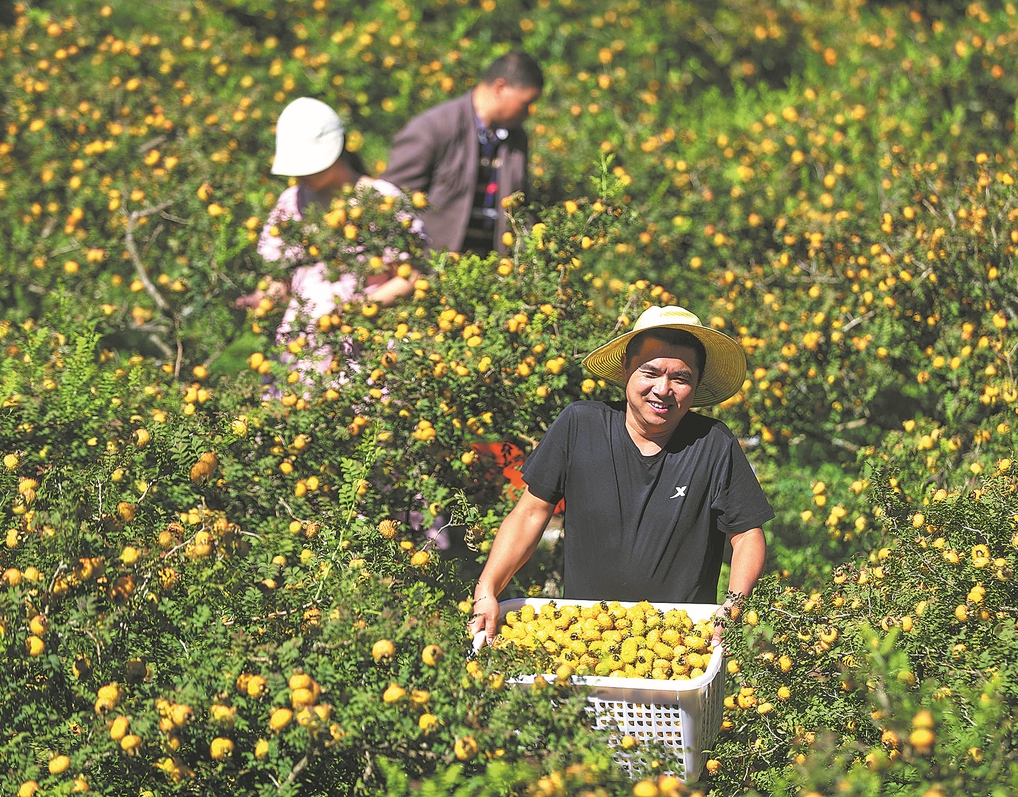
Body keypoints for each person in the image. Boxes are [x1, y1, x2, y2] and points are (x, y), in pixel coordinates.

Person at [468, 306, 774, 647]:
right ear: (627, 367)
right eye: (650, 372)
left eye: (681, 378)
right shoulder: (580, 425)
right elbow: (530, 513)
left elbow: (746, 535)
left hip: (681, 646)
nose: (663, 389)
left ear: (697, 383)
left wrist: (733, 606)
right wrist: (487, 587)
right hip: (580, 638)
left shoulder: (713, 444)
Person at [240, 97, 425, 375]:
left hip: (368, 351)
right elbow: (282, 277)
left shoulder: (380, 201)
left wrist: (356, 310)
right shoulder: (291, 202)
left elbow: (412, 275)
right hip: (302, 351)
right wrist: (262, 298)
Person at [380, 51, 543, 257]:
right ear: (500, 88)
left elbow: (520, 206)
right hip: (431, 271)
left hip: (492, 273)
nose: (529, 112)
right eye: (525, 103)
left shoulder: (516, 139)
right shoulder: (433, 128)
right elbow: (391, 197)